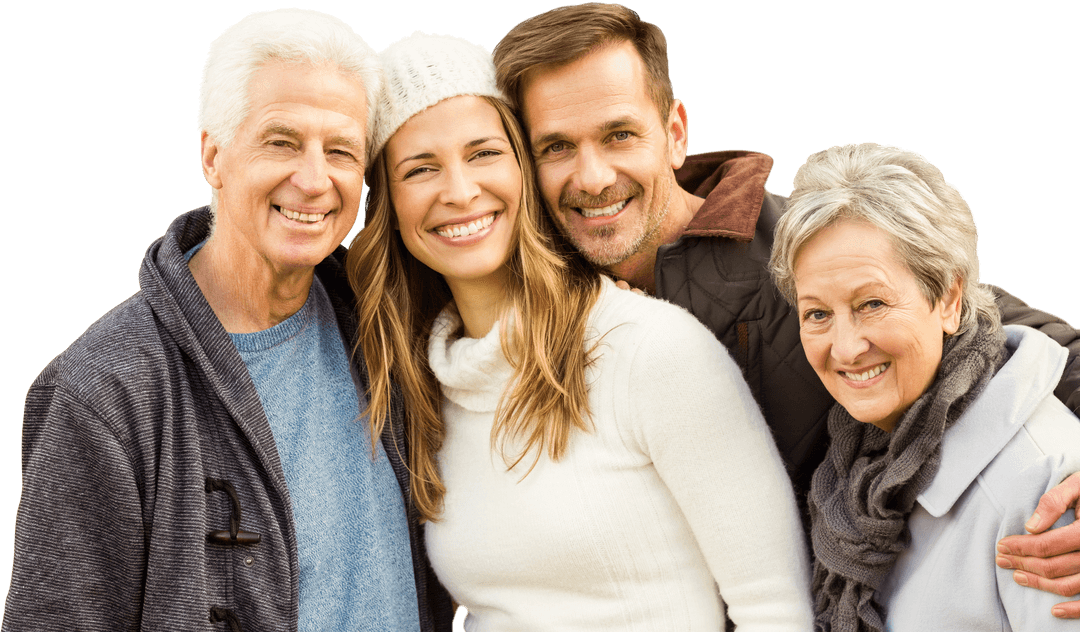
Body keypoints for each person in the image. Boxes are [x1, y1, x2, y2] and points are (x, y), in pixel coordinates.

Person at [492, 2, 1080, 617]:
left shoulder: (802, 248)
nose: (592, 176)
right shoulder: (524, 309)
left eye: (619, 134)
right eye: (556, 147)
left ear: (673, 132)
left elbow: (1025, 341)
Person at [348, 31, 813, 630]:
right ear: (389, 203)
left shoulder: (647, 349)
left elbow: (776, 609)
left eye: (484, 153)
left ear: (523, 170)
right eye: (419, 168)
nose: (459, 191)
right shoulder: (422, 384)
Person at [3, 9, 450, 631]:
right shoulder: (102, 390)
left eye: (341, 151)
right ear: (213, 156)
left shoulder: (387, 331)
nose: (315, 179)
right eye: (282, 141)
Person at [766, 141, 1079, 630]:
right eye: (818, 314)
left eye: (872, 304)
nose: (845, 349)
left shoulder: (1044, 487)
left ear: (950, 298)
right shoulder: (856, 469)